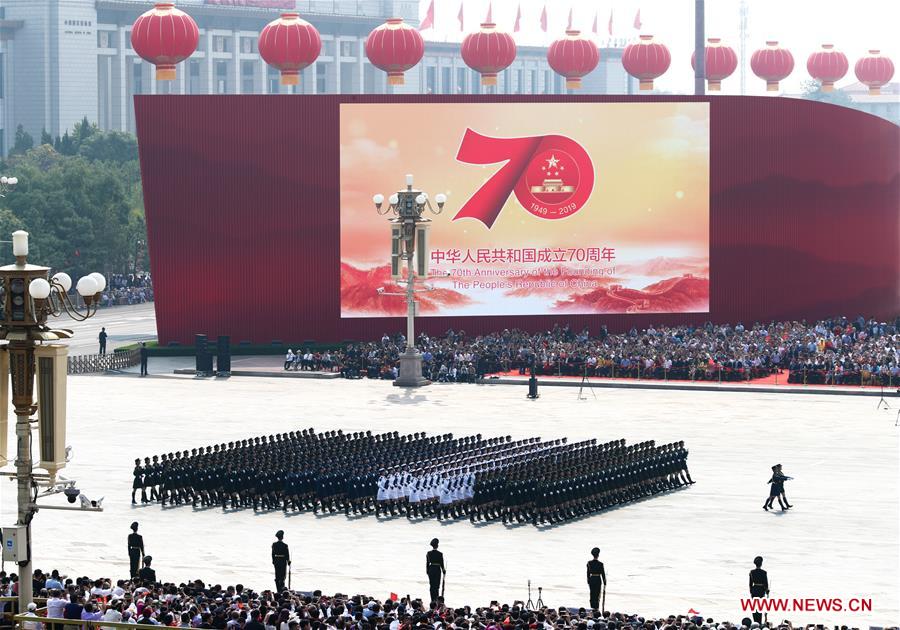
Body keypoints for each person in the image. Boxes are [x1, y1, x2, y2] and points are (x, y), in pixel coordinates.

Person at [748, 556, 769, 624]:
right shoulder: (764, 572)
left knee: (754, 607)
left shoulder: (752, 572)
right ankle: (759, 622)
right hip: (761, 591)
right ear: (761, 564)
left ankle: (755, 621)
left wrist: (751, 591)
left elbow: (750, 584)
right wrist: (767, 590)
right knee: (760, 607)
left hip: (754, 590)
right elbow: (766, 583)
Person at [425, 538, 445, 604]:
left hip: (431, 569)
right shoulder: (440, 554)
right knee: (437, 586)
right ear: (437, 546)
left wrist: (427, 571)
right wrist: (443, 570)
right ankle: (436, 600)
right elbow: (442, 563)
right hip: (437, 569)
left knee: (432, 586)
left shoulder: (428, 553)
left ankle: (432, 599)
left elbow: (427, 563)